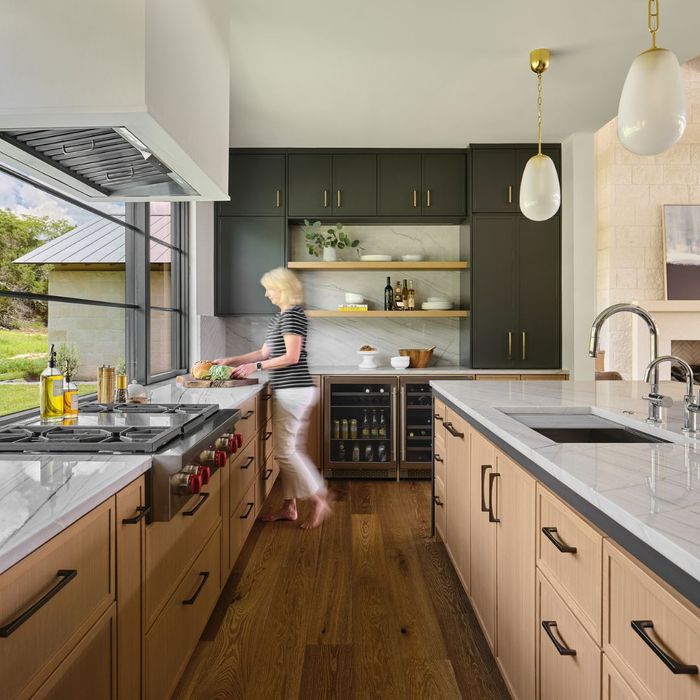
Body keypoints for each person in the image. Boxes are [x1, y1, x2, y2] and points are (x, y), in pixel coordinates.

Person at [214, 268, 329, 529]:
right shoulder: (282, 317)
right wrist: (229, 360)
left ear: (283, 288)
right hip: (288, 390)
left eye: (270, 289)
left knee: (285, 452)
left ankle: (318, 497)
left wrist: (255, 369)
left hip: (294, 390)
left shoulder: (293, 317)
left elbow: (292, 357)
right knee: (289, 450)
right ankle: (290, 507)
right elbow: (264, 352)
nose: (266, 294)